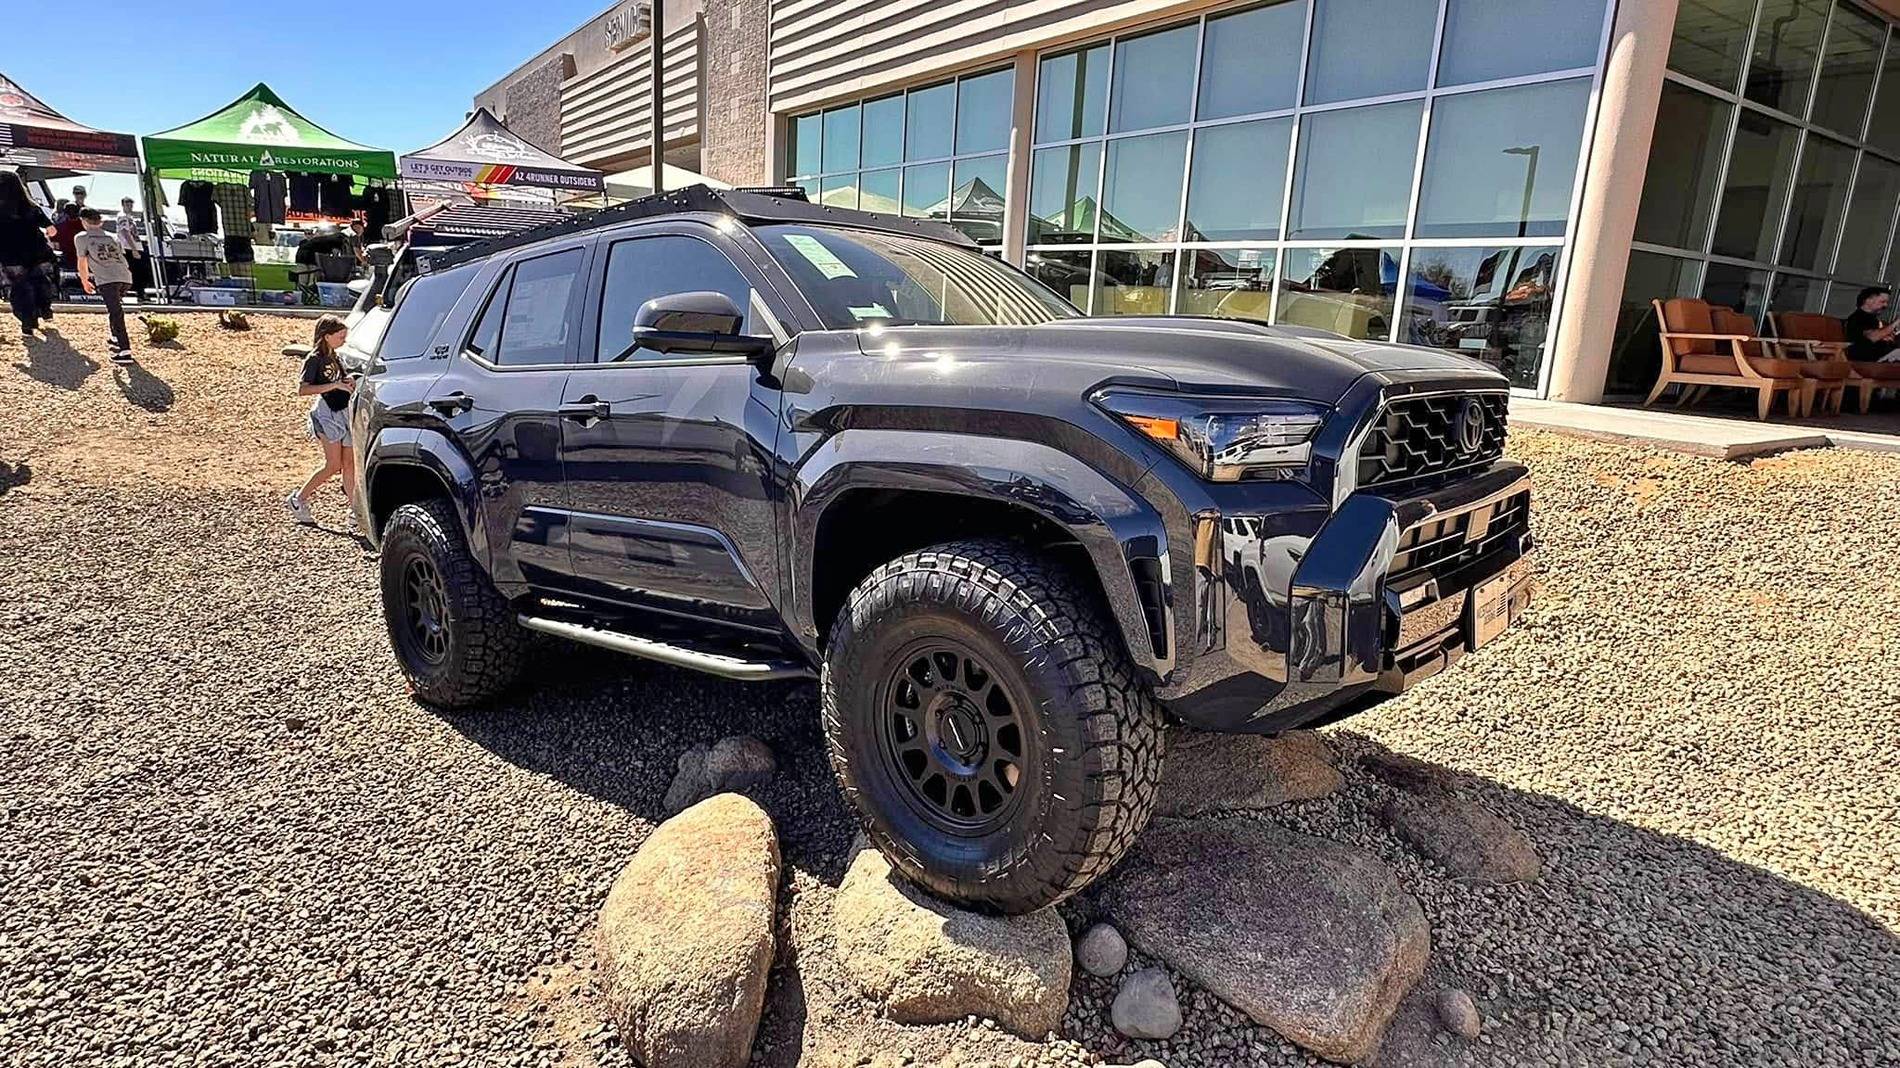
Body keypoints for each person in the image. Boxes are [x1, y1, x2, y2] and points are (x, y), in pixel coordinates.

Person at [285, 316, 357, 526]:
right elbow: (303, 389)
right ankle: (298, 499)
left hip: (343, 412)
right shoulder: (314, 359)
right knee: (333, 465)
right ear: (327, 336)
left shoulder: (334, 356)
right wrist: (334, 386)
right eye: (340, 336)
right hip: (327, 415)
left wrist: (348, 380)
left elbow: (340, 380)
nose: (344, 340)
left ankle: (355, 510)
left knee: (349, 464)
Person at [0, 170, 59, 338]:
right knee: (40, 281)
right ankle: (45, 309)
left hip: (10, 254)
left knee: (19, 288)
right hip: (37, 251)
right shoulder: (31, 206)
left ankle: (28, 323)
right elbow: (52, 230)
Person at [73, 208, 135, 363]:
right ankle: (116, 337)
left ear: (84, 221)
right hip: (125, 277)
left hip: (107, 279)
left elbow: (82, 261)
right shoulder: (113, 237)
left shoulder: (82, 237)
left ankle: (125, 350)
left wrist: (84, 280)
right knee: (114, 308)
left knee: (116, 312)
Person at [1844, 286, 1900, 363]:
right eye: (1882, 302)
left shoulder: (1873, 319)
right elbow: (1872, 337)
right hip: (1866, 359)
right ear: (1868, 301)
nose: (1885, 305)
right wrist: (1896, 322)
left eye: (1887, 302)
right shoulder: (1858, 318)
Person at [114, 196, 150, 296]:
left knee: (141, 271)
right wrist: (134, 249)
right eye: (127, 205)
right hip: (128, 248)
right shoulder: (123, 216)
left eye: (131, 205)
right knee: (135, 271)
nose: (129, 207)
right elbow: (125, 232)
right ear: (123, 205)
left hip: (135, 246)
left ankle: (140, 291)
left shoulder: (130, 217)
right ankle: (131, 291)